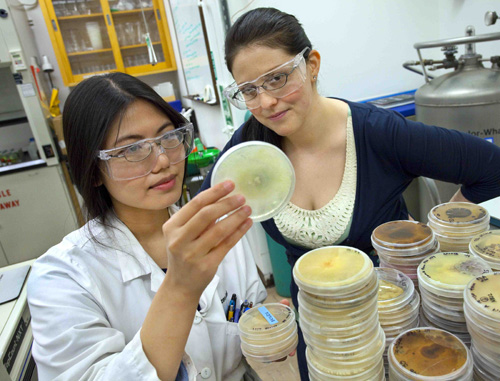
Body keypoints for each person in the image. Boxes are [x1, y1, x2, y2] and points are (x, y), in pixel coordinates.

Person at [199, 7, 500, 379]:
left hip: (388, 329)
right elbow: (204, 208)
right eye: (249, 90)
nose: (266, 103)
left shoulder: (378, 134)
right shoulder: (251, 146)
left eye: (277, 78)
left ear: (311, 65)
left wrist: (429, 241)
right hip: (317, 336)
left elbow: (490, 168)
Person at [26, 72, 267, 381]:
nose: (163, 160)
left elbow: (251, 311)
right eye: (131, 149)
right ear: (94, 170)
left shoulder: (217, 225)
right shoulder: (61, 277)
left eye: (168, 137)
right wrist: (181, 286)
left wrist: (269, 326)